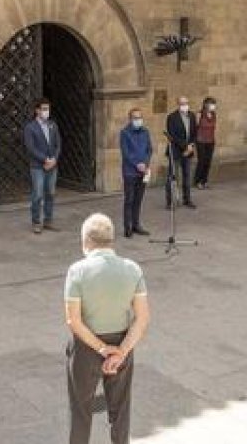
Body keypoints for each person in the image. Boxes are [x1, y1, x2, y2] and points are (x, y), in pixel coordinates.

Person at [64, 214, 151, 444]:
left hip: (86, 348)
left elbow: (73, 321)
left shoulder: (77, 271)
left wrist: (103, 349)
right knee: (120, 411)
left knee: (81, 411)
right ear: (111, 240)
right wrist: (121, 351)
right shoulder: (133, 269)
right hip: (122, 342)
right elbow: (142, 318)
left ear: (85, 242)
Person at [23, 98, 61, 234]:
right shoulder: (30, 127)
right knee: (38, 194)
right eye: (44, 109)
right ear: (37, 110)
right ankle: (36, 222)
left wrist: (54, 159)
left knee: (50, 193)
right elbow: (31, 148)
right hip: (38, 166)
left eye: (48, 109)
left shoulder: (52, 125)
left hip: (52, 165)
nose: (46, 111)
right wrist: (45, 160)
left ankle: (48, 220)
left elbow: (58, 144)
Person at [119, 108, 153, 238]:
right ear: (130, 119)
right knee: (129, 199)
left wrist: (145, 163)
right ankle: (127, 227)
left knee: (138, 199)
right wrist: (137, 164)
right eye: (135, 118)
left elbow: (149, 149)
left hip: (143, 171)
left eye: (140, 117)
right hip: (130, 172)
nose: (138, 120)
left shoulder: (145, 132)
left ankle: (136, 224)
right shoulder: (125, 133)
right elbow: (126, 153)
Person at [164, 96, 197, 209]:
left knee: (187, 176)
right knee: (172, 176)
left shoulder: (192, 116)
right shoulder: (172, 117)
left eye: (186, 103)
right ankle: (170, 201)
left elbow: (194, 132)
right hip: (176, 151)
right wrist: (185, 147)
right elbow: (172, 136)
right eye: (182, 103)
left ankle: (187, 199)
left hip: (188, 151)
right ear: (178, 104)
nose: (185, 105)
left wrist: (191, 145)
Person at [193, 97, 218, 190]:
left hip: (210, 140)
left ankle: (205, 180)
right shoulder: (199, 114)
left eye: (214, 104)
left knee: (208, 161)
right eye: (211, 104)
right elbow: (196, 127)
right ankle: (198, 181)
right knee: (201, 161)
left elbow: (213, 127)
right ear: (205, 104)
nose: (213, 106)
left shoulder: (213, 114)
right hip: (201, 140)